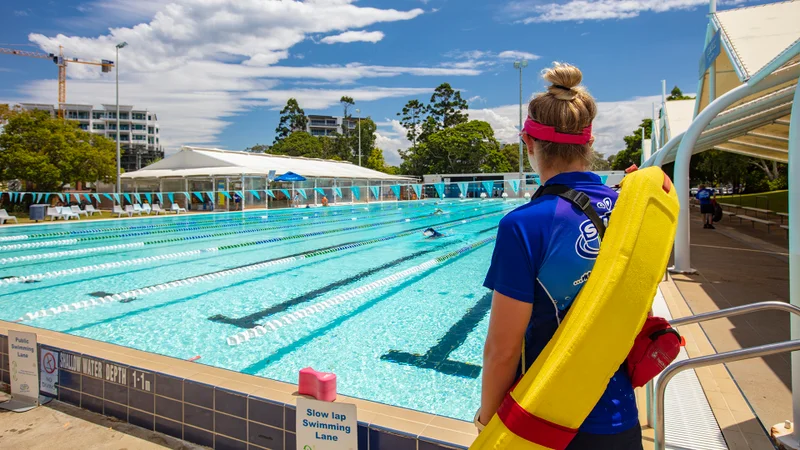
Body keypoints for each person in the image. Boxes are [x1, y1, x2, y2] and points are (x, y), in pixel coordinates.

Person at [478, 62, 642, 449]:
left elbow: (502, 350)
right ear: (589, 143)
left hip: (549, 421)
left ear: (529, 144)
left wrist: (487, 421)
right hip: (620, 416)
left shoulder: (524, 224)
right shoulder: (629, 209)